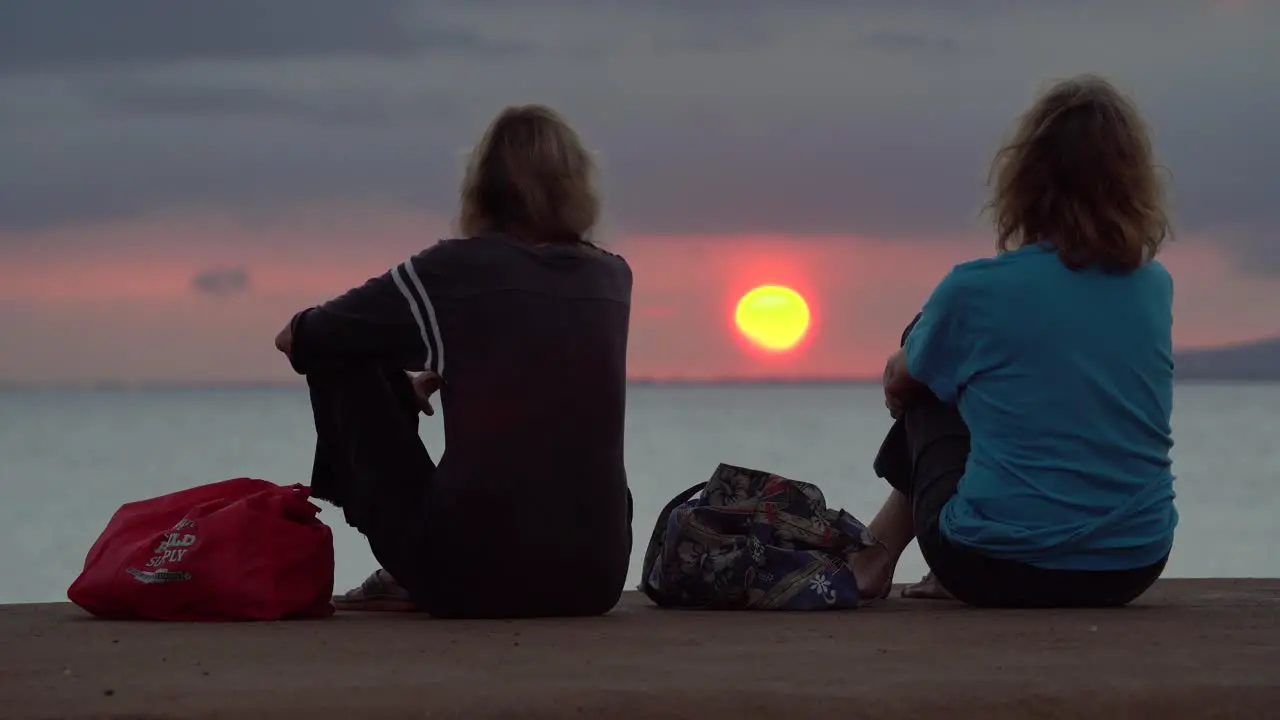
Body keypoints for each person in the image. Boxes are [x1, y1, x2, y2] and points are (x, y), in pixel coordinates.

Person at [273, 105, 634, 619]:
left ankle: (403, 569)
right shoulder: (613, 277)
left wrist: (392, 388)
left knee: (339, 356)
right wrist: (443, 370)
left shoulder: (455, 269)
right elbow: (543, 354)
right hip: (595, 579)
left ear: (481, 186)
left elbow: (301, 339)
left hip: (473, 578)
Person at [850, 75, 1177, 608]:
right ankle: (882, 554)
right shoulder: (1153, 286)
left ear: (1024, 178)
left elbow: (900, 379)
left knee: (931, 347)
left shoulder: (977, 291)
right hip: (1132, 563)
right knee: (986, 364)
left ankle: (875, 554)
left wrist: (908, 368)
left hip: (992, 565)